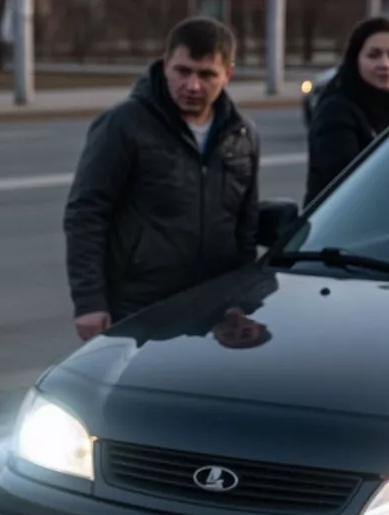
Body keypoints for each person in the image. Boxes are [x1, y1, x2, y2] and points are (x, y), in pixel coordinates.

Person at [62, 16, 261, 342]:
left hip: (215, 310)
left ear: (228, 74)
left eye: (207, 74)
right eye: (183, 71)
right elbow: (85, 214)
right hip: (139, 307)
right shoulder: (124, 125)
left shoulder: (242, 135)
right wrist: (89, 302)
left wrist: (242, 298)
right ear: (165, 63)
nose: (193, 85)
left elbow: (245, 225)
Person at [305, 16, 389, 204]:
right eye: (374, 55)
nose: (385, 64)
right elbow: (349, 184)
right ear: (356, 60)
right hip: (345, 226)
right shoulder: (336, 111)